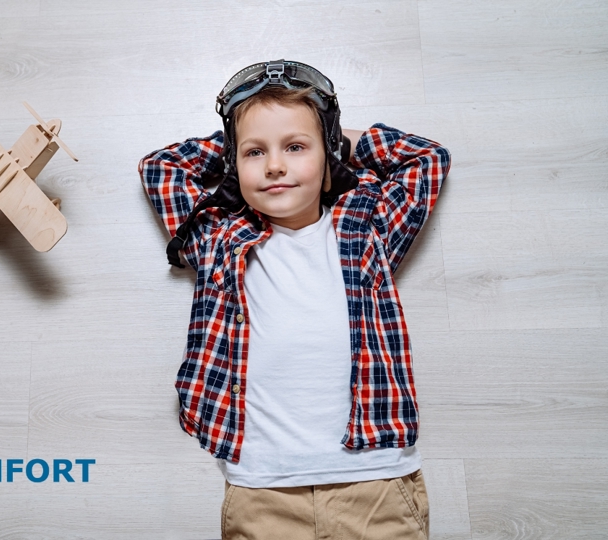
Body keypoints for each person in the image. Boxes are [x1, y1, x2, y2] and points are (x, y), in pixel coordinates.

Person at [138, 59, 451, 539]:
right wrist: (240, 135)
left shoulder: (368, 225)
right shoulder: (218, 238)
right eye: (255, 153)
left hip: (376, 479)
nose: (276, 165)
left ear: (328, 160)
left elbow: (426, 159)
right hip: (263, 490)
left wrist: (336, 137)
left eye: (296, 147)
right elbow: (160, 167)